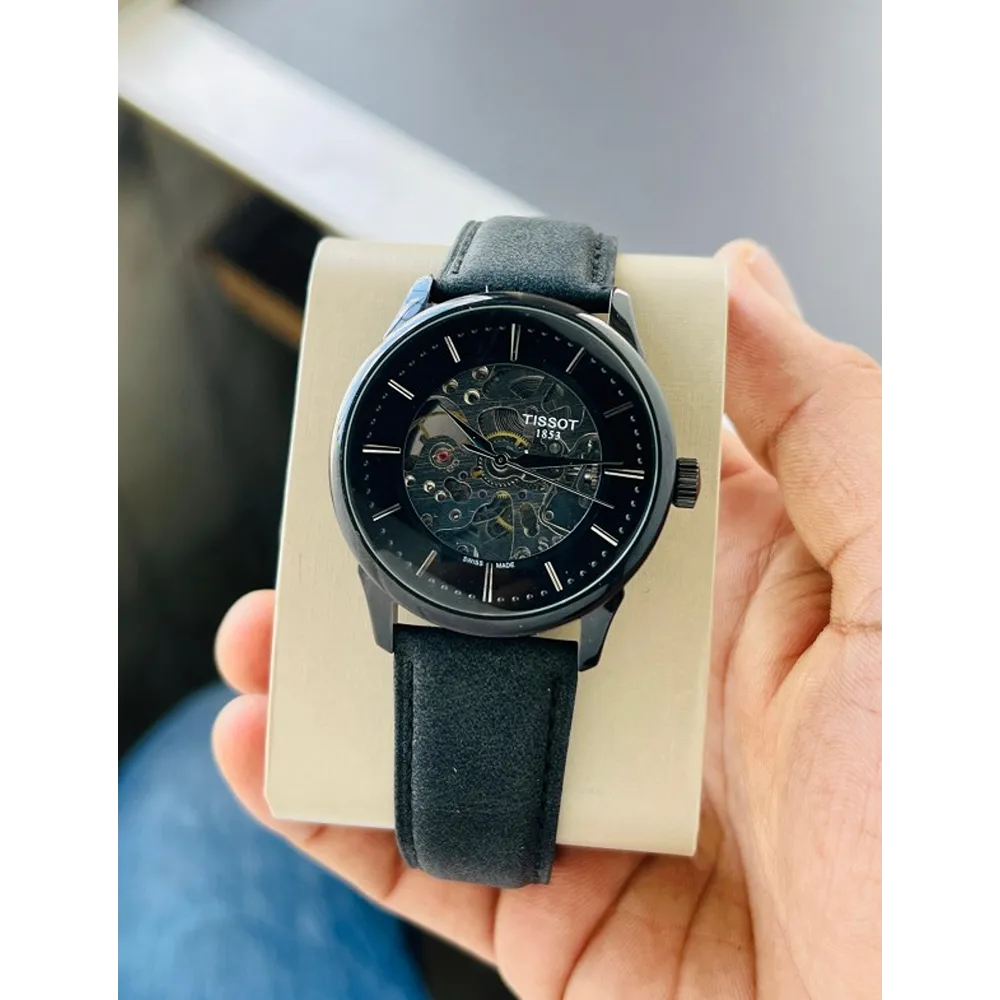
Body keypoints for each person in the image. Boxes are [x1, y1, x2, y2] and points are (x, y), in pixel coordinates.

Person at [119, 241, 884, 999]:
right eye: (492, 460)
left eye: (515, 462)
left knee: (192, 773)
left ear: (671, 484)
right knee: (196, 771)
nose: (506, 467)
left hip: (515, 589)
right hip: (447, 584)